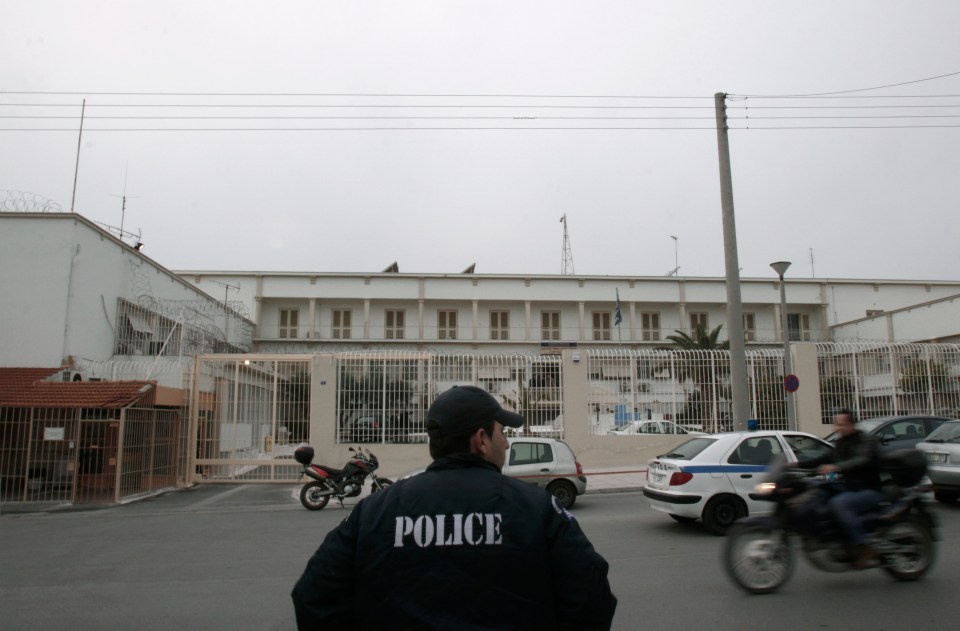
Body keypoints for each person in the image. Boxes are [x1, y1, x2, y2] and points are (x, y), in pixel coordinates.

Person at [291, 385, 617, 630]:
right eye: (502, 432)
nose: (506, 442)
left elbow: (313, 597)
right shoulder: (538, 508)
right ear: (481, 440)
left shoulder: (374, 511)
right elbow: (591, 597)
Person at [800, 409, 883, 569]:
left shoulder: (865, 441)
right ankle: (834, 539)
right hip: (849, 487)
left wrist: (836, 467)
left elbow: (861, 460)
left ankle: (864, 545)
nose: (838, 427)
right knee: (819, 494)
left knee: (839, 504)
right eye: (836, 424)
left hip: (868, 489)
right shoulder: (841, 443)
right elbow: (822, 460)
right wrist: (796, 466)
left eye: (842, 424)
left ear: (851, 424)